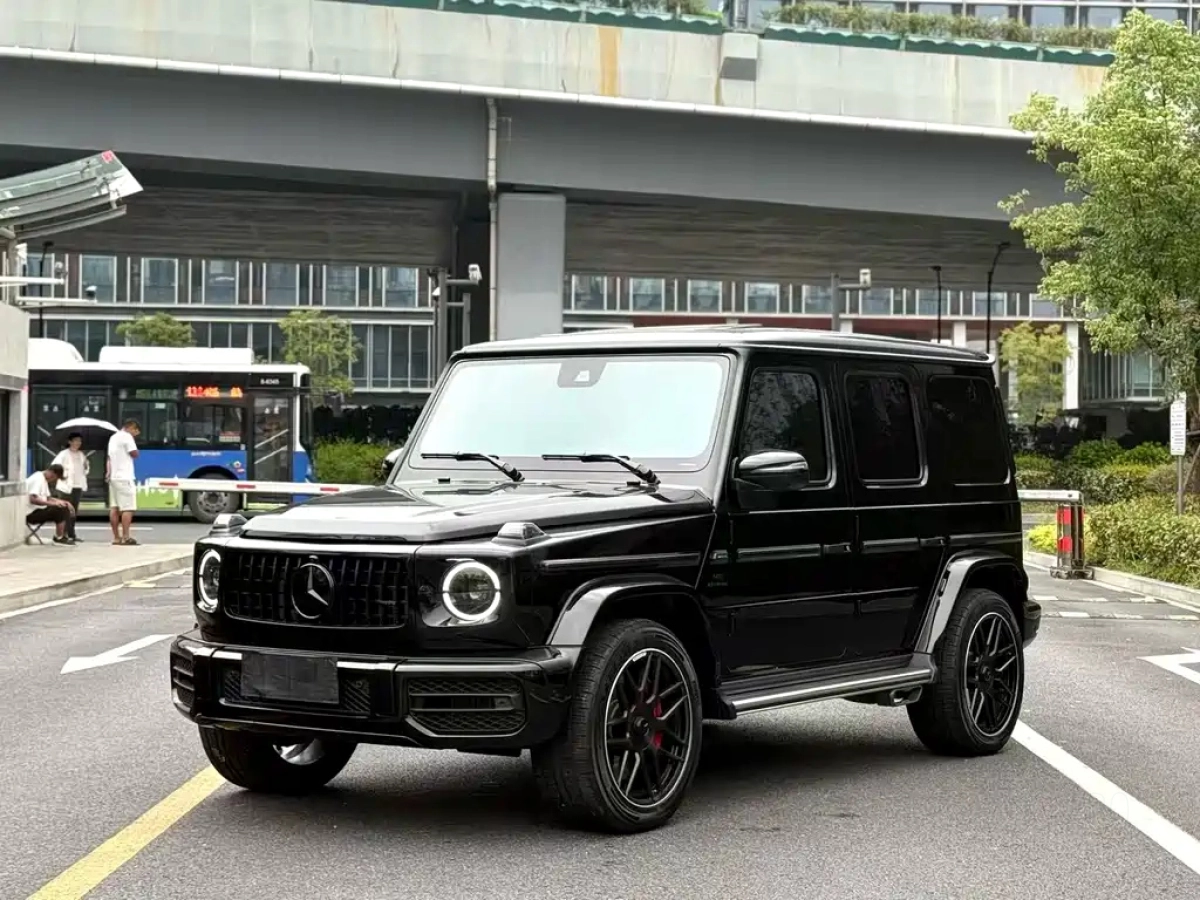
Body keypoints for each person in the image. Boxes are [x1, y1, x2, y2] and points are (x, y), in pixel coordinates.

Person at [106, 418, 141, 546]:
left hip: (114, 477)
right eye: (136, 431)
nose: (136, 433)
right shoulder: (127, 437)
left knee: (114, 508)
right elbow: (134, 453)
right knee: (128, 508)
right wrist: (136, 448)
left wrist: (108, 472)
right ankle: (126, 537)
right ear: (131, 427)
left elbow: (109, 458)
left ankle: (116, 537)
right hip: (125, 477)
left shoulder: (113, 437)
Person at [52, 432, 89, 542]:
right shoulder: (63, 454)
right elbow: (55, 467)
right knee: (64, 511)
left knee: (73, 512)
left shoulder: (82, 455)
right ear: (70, 442)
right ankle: (62, 535)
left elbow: (85, 471)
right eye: (76, 440)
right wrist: (63, 475)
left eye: (80, 441)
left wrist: (86, 466)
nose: (78, 443)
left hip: (78, 486)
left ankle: (71, 534)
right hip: (65, 487)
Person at [27, 463, 75, 545]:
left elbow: (48, 498)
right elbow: (33, 499)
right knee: (60, 509)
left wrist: (64, 502)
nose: (53, 480)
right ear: (51, 472)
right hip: (30, 513)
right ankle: (59, 538)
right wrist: (52, 504)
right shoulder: (37, 479)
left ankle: (62, 536)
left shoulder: (43, 479)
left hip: (38, 510)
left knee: (64, 506)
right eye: (54, 478)